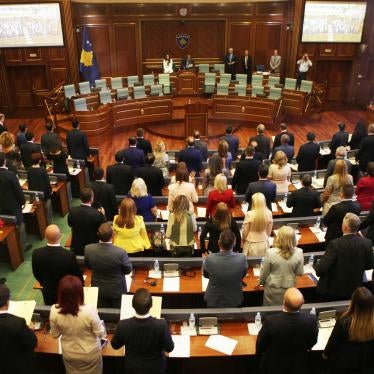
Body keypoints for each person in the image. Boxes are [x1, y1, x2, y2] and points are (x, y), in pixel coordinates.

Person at [50, 275, 106, 374]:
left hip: (69, 353)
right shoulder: (90, 311)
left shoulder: (54, 310)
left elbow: (55, 335)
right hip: (90, 354)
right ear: (80, 293)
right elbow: (101, 333)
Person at [111, 288, 174, 374]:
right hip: (156, 368)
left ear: (132, 305)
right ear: (151, 305)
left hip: (132, 368)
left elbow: (115, 345)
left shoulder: (123, 325)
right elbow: (170, 347)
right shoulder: (161, 325)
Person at [256, 287, 318, 374]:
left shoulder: (271, 321)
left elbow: (260, 345)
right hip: (298, 364)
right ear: (302, 303)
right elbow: (312, 343)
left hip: (275, 365)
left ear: (283, 301)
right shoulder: (311, 320)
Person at [314, 213, 374, 301]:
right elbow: (369, 265)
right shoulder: (367, 243)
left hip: (335, 290)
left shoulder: (335, 244)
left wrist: (316, 264)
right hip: (355, 288)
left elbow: (321, 269)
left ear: (344, 227)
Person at [324, 287, 374, 374]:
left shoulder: (344, 321)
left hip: (344, 363)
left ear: (354, 302)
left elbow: (333, 341)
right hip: (366, 363)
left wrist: (325, 354)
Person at [32, 224, 83, 305]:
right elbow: (76, 275)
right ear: (60, 236)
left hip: (48, 293)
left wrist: (45, 283)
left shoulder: (37, 253)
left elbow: (36, 273)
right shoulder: (69, 255)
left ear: (45, 237)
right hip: (66, 293)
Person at [85, 223, 132, 308]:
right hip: (117, 290)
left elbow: (89, 266)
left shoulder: (88, 249)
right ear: (113, 235)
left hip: (98, 289)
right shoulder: (120, 252)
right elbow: (128, 270)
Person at [259, 227, 304, 305]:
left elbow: (265, 273)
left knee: (270, 311)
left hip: (272, 288)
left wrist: (261, 283)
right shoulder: (299, 252)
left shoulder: (270, 252)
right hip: (289, 287)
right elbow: (299, 272)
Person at [203, 229, 248, 307]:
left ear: (218, 242)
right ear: (234, 243)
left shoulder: (209, 258)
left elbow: (206, 275)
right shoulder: (242, 258)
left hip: (214, 300)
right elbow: (242, 275)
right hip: (234, 300)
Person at [0, 284, 37, 374]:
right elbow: (33, 343)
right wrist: (31, 330)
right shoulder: (18, 323)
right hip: (18, 367)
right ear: (8, 302)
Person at [67, 187, 106, 256]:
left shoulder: (72, 211)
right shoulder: (97, 214)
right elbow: (104, 229)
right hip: (92, 248)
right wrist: (103, 215)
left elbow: (70, 224)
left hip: (76, 246)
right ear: (91, 199)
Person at [242, 192, 273, 256]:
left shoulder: (249, 214)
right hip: (264, 242)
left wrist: (244, 239)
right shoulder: (269, 213)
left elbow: (245, 232)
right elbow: (269, 230)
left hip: (251, 243)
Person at [0, 152, 25, 224]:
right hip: (13, 209)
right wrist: (22, 202)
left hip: (1, 209)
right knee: (19, 228)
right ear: (4, 161)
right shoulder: (11, 175)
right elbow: (18, 192)